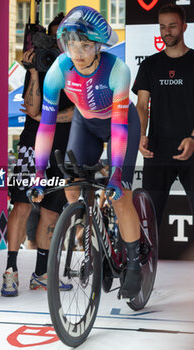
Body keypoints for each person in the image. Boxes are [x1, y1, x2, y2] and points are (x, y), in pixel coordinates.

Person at [27, 6, 142, 300]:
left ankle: (134, 265)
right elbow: (46, 127)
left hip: (120, 123)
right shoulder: (58, 70)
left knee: (121, 197)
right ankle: (91, 233)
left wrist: (116, 174)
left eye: (86, 44)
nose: (77, 52)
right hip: (86, 123)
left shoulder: (118, 70)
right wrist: (39, 173)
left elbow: (118, 131)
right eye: (70, 43)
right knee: (71, 186)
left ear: (99, 46)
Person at [1, 13, 74, 297]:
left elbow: (82, 112)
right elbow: (32, 111)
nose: (61, 44)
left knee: (51, 212)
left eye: (67, 37)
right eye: (57, 37)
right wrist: (32, 70)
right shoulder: (41, 66)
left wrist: (51, 116)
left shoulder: (81, 70)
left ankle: (41, 274)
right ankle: (11, 271)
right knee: (21, 205)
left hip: (61, 153)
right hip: (32, 148)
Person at [132, 3, 194, 231]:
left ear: (184, 27)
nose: (167, 32)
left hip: (192, 148)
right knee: (148, 221)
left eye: (172, 26)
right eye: (162, 27)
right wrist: (139, 134)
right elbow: (141, 105)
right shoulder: (150, 65)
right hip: (157, 151)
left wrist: (193, 138)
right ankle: (141, 266)